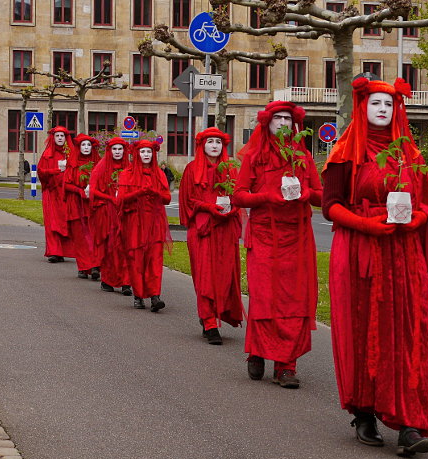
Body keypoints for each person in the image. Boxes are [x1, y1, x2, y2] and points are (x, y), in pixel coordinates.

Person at [322, 76, 428, 457]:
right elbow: (330, 205)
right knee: (360, 331)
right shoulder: (345, 152)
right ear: (362, 107)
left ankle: (409, 423)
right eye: (376, 103)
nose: (383, 110)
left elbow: (424, 205)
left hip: (403, 257)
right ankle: (364, 413)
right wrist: (366, 225)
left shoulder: (410, 154)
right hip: (359, 252)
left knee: (405, 333)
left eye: (389, 104)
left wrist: (418, 220)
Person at [232, 101, 322, 388]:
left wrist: (306, 192)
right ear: (267, 122)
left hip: (297, 237)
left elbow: (321, 196)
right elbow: (239, 196)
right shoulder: (255, 157)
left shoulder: (303, 157)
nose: (283, 122)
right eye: (278, 118)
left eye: (288, 118)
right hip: (264, 237)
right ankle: (258, 351)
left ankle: (286, 365)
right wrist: (267, 197)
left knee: (294, 300)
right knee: (265, 297)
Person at [179, 128, 244, 345]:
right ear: (202, 145)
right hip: (202, 230)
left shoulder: (231, 170)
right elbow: (188, 201)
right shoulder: (191, 169)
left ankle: (217, 315)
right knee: (205, 276)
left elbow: (239, 196)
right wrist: (209, 207)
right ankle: (209, 322)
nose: (215, 145)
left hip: (225, 230)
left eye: (218, 141)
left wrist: (233, 209)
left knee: (225, 276)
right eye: (210, 142)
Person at [117, 139, 172, 312]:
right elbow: (121, 199)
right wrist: (138, 193)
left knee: (155, 258)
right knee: (136, 259)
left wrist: (156, 192)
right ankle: (138, 295)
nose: (146, 155)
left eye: (149, 152)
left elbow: (167, 198)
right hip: (134, 222)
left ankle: (155, 295)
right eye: (143, 152)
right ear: (137, 154)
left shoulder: (159, 174)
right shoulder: (127, 173)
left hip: (155, 222)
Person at [89, 137, 131, 296]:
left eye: (120, 149)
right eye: (115, 149)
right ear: (110, 151)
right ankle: (108, 279)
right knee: (111, 247)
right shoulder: (101, 167)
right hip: (107, 212)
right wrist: (110, 198)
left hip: (125, 212)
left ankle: (126, 282)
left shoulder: (129, 167)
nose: (118, 152)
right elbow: (94, 190)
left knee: (125, 247)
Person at [63, 134, 101, 279]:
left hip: (92, 204)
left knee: (92, 235)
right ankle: (83, 266)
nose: (86, 148)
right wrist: (80, 191)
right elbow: (66, 184)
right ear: (79, 147)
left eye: (89, 145)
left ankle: (94, 265)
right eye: (83, 145)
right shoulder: (72, 163)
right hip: (76, 203)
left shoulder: (97, 163)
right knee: (80, 236)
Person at [37, 126, 75, 263]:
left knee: (65, 222)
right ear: (53, 137)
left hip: (66, 194)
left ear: (66, 138)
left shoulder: (70, 154)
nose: (60, 138)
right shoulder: (47, 154)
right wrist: (56, 170)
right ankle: (54, 251)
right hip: (51, 193)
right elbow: (41, 172)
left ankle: (63, 251)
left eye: (62, 136)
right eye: (57, 136)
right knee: (52, 222)